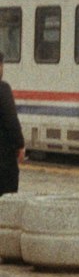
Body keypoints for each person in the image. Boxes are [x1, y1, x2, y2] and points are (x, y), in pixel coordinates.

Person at [0, 56, 25, 196]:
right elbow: (11, 121)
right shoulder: (3, 89)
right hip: (3, 162)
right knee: (6, 204)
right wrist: (19, 145)